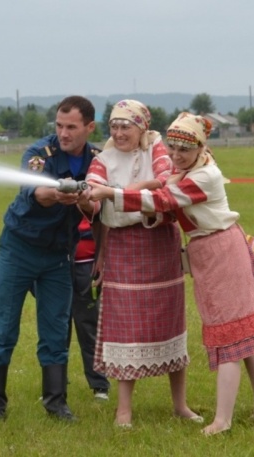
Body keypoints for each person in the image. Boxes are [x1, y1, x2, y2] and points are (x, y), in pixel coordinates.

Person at [89, 112, 254, 436]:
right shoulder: (192, 166)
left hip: (221, 253)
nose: (175, 156)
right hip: (211, 252)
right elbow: (163, 183)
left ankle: (223, 420)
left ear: (201, 148)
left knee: (230, 337)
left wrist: (110, 194)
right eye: (171, 149)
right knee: (247, 336)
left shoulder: (203, 177)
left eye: (183, 151)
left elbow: (161, 200)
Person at [0, 96, 99, 422]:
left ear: (89, 127)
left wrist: (87, 201)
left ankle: (56, 403)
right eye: (59, 126)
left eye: (72, 127)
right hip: (19, 249)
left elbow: (99, 207)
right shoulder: (38, 154)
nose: (64, 133)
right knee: (3, 327)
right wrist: (60, 194)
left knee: (55, 329)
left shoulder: (98, 160)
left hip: (59, 256)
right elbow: (36, 191)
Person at [86, 100, 200, 428]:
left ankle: (180, 404)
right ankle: (124, 410)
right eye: (115, 126)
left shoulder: (158, 151)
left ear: (141, 128)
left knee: (171, 324)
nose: (119, 132)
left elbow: (168, 187)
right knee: (126, 330)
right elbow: (95, 199)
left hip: (161, 245)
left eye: (126, 126)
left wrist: (129, 189)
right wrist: (89, 204)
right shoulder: (102, 160)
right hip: (123, 247)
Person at [69, 216, 111, 400]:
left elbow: (104, 224)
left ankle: (99, 384)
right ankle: (55, 385)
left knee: (89, 326)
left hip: (87, 267)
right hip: (57, 265)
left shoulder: (95, 189)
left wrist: (102, 259)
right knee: (57, 328)